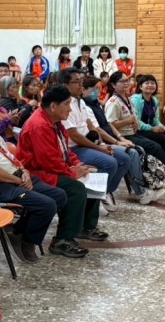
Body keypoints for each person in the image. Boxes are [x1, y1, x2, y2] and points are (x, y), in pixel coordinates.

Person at [0, 84, 67, 263]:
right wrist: (17, 180)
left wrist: (24, 171)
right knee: (46, 205)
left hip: (13, 177)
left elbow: (9, 155)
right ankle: (27, 239)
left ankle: (18, 231)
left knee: (59, 196)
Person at [16, 86, 107, 258]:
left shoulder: (54, 122)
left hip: (50, 168)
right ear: (53, 106)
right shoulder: (40, 125)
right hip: (36, 172)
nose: (70, 109)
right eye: (67, 104)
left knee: (92, 177)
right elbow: (48, 162)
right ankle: (63, 239)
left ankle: (85, 226)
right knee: (75, 188)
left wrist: (79, 164)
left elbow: (65, 150)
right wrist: (73, 173)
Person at [83, 75, 162, 205]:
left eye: (98, 88)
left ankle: (144, 187)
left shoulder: (97, 104)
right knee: (132, 152)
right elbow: (98, 130)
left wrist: (119, 138)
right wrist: (116, 142)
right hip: (99, 141)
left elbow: (108, 125)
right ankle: (139, 191)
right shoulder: (87, 106)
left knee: (153, 144)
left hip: (115, 137)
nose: (97, 91)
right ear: (84, 90)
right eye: (94, 89)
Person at [59, 69, 128, 206]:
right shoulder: (65, 104)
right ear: (65, 85)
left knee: (124, 158)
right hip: (75, 148)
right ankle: (94, 199)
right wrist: (99, 149)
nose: (81, 85)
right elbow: (74, 136)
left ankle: (104, 192)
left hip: (88, 143)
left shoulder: (81, 102)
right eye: (77, 82)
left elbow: (91, 126)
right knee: (110, 163)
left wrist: (100, 144)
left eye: (81, 81)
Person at [105, 72, 165, 189]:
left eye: (127, 80)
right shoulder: (114, 102)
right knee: (155, 146)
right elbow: (110, 124)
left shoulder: (128, 99)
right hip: (124, 136)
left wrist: (163, 128)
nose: (126, 83)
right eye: (122, 81)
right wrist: (129, 122)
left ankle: (155, 171)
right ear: (113, 85)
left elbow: (147, 119)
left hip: (133, 133)